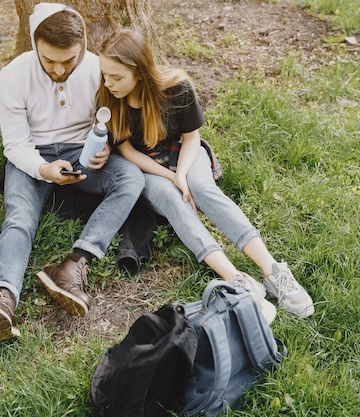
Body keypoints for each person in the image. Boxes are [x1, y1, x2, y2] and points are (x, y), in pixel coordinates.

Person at [97, 29, 314, 322]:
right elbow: (127, 152)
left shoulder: (176, 87)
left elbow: (191, 139)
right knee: (172, 200)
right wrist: (171, 177)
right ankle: (236, 279)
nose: (108, 83)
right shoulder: (109, 99)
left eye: (116, 77)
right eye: (105, 75)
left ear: (139, 72)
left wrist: (183, 174)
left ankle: (273, 271)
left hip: (184, 152)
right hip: (149, 166)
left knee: (202, 187)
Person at [0, 5, 145, 342]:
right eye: (49, 60)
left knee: (132, 179)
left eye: (68, 60)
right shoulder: (13, 74)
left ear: (82, 46)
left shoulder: (98, 68)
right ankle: (3, 299)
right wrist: (43, 169)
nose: (59, 68)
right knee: (19, 218)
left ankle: (74, 264)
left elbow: (107, 118)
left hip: (82, 152)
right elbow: (15, 144)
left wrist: (106, 144)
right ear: (35, 45)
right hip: (32, 156)